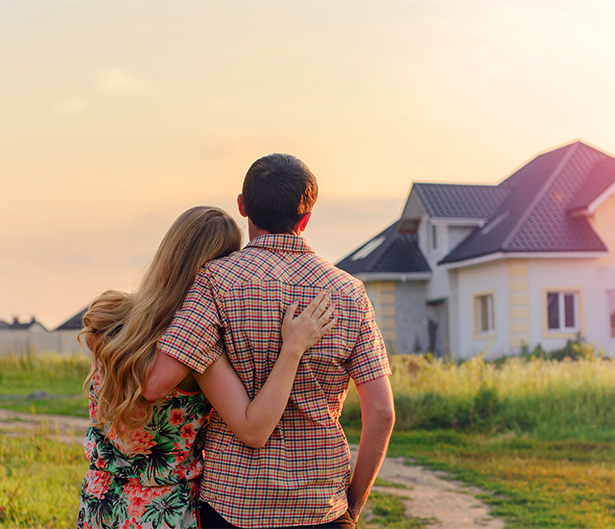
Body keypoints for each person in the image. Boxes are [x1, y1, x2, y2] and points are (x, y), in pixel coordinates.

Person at [143, 154, 396, 529]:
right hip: (321, 504)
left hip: (233, 504)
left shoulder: (216, 281)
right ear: (306, 217)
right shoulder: (350, 293)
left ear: (243, 206)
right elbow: (381, 412)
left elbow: (160, 380)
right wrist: (352, 507)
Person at [77, 206, 336, 529]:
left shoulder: (109, 318)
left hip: (100, 501)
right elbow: (253, 428)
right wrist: (292, 349)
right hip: (163, 511)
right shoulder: (197, 354)